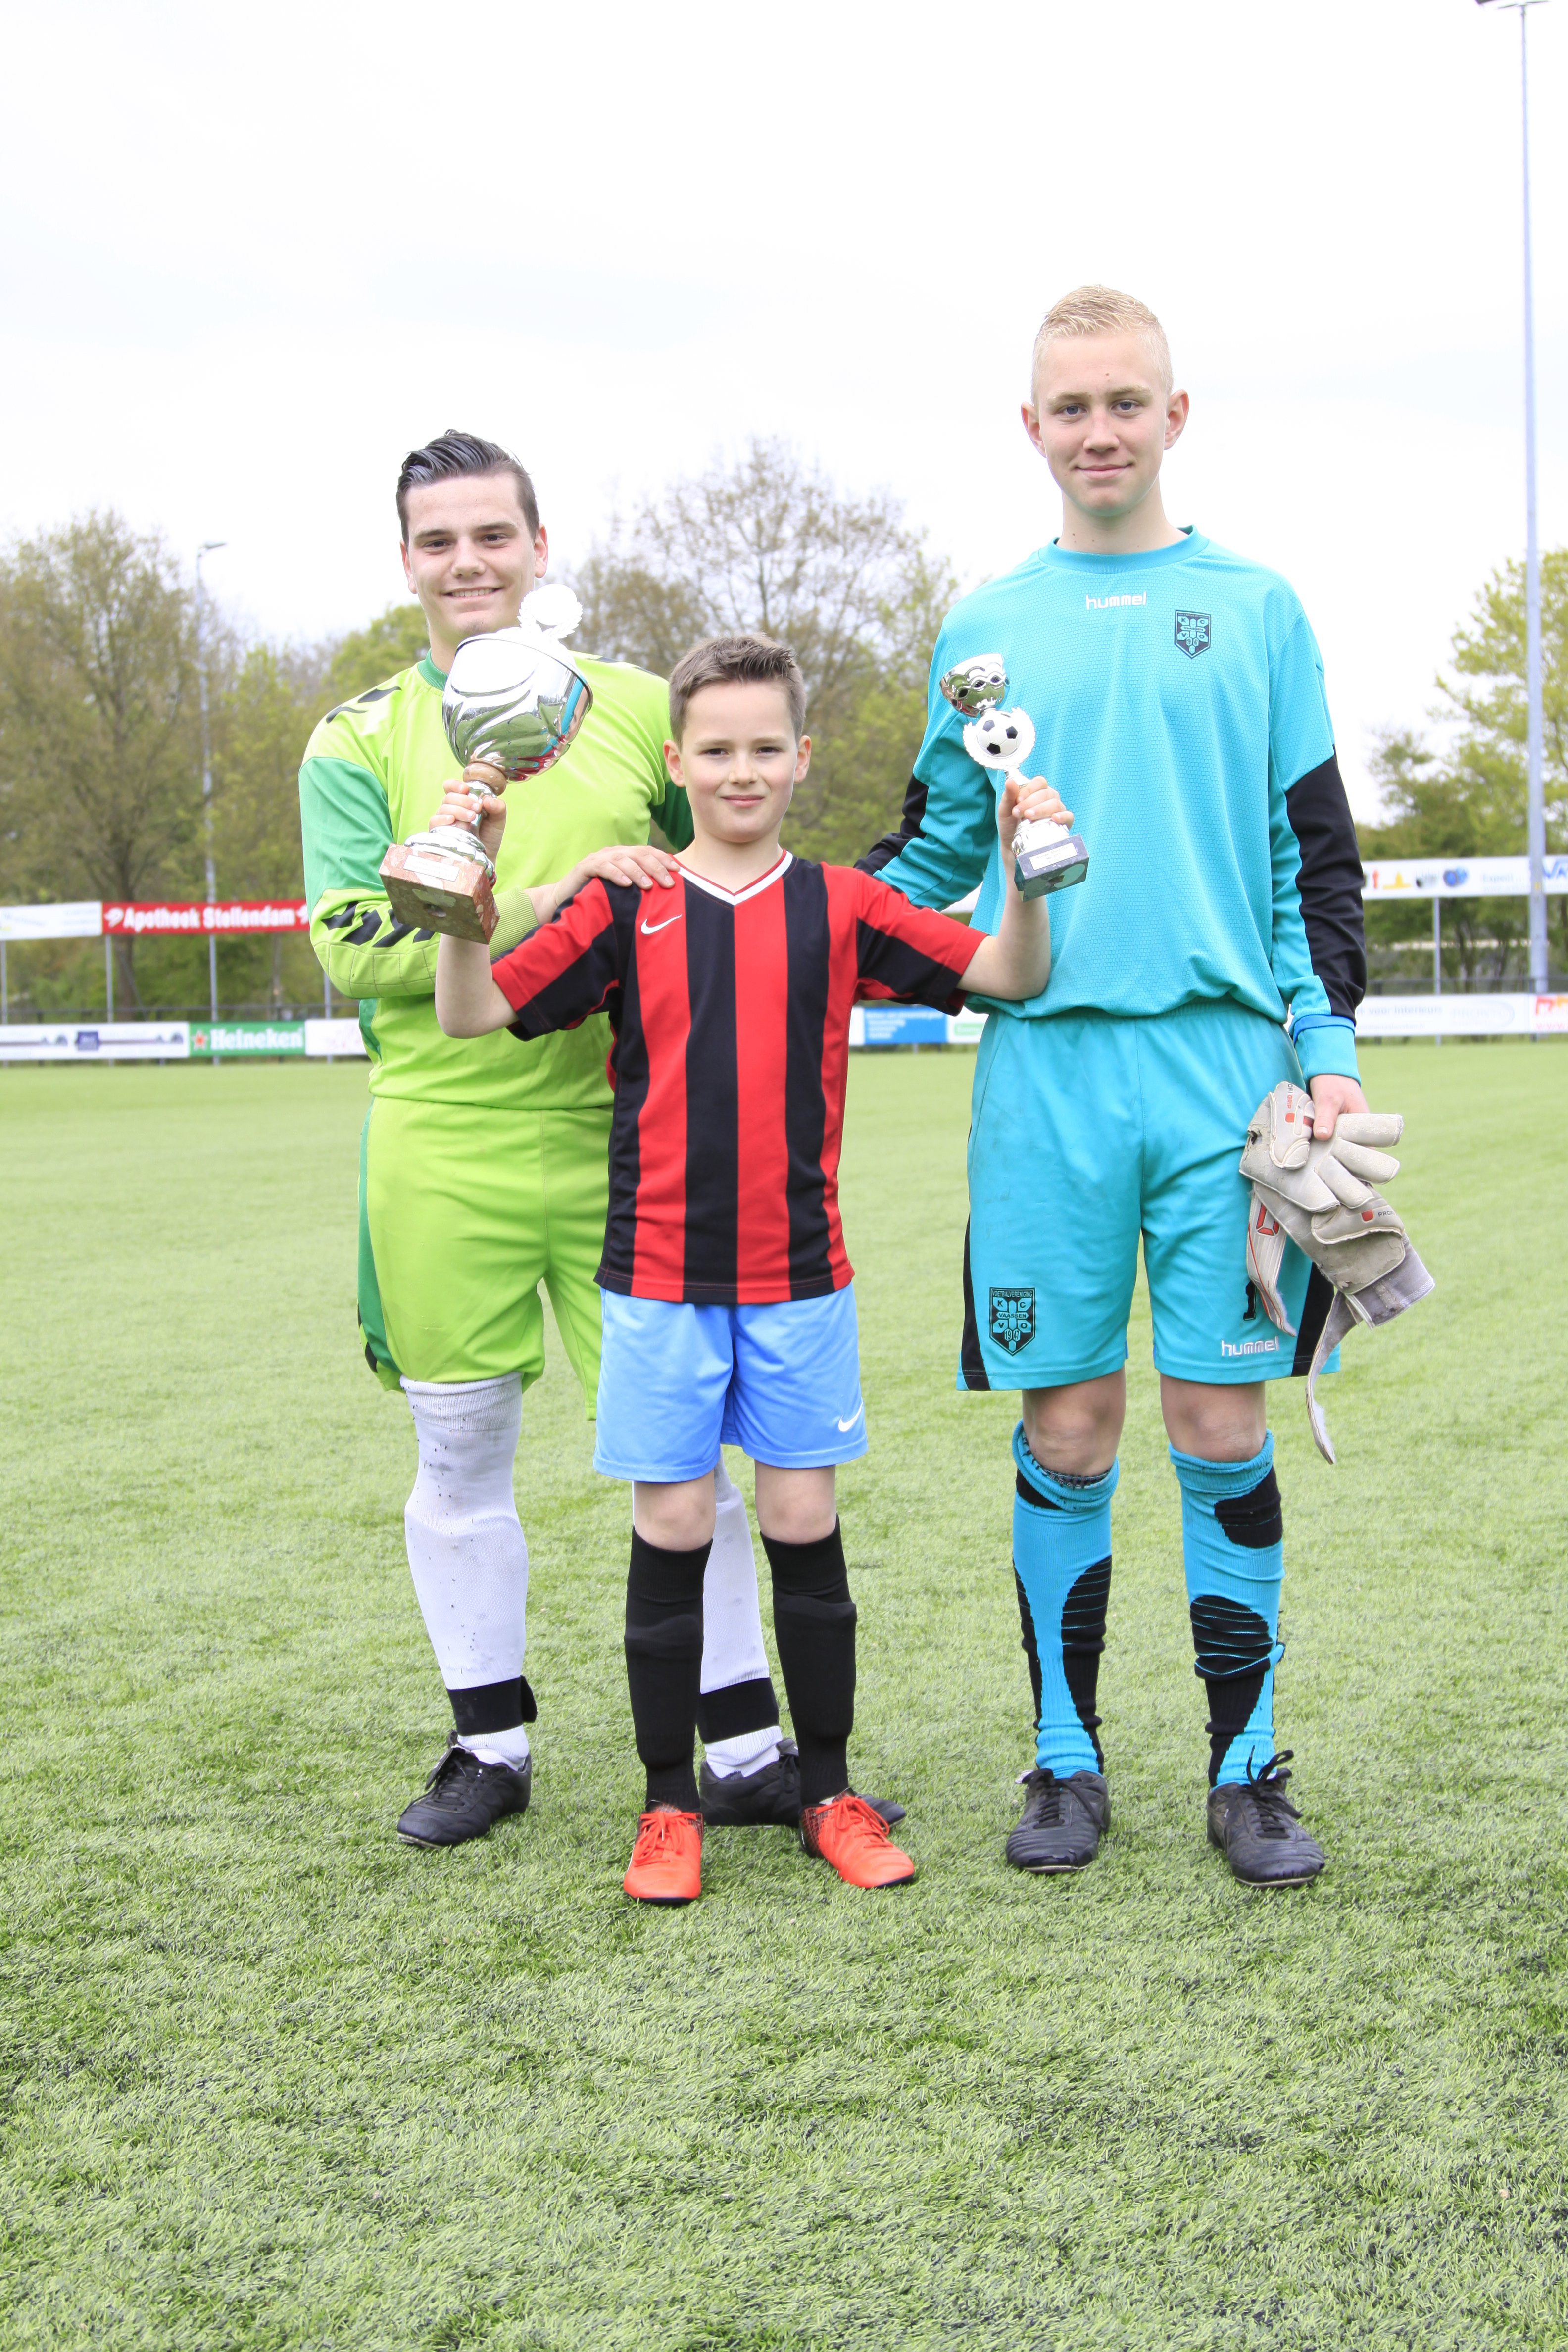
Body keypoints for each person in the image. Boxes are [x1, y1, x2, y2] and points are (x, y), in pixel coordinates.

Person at [861, 287, 1370, 1887]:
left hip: (1223, 1080)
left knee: (1218, 1418)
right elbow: (932, 862)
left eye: (1122, 402)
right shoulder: (980, 631)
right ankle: (1063, 1761)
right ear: (1029, 426)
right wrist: (781, 925)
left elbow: (1314, 867)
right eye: (1068, 405)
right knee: (1068, 1425)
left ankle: (1243, 1770)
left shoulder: (1259, 607)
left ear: (1172, 415)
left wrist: (1326, 1056)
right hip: (1045, 1079)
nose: (1097, 430)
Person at [431, 633, 1070, 1903]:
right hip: (657, 1278)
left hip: (800, 1278)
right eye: (715, 750)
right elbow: (473, 1012)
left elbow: (1009, 973)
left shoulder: (843, 903)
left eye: (764, 748)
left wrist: (1022, 865)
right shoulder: (626, 900)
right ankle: (670, 1807)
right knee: (671, 1524)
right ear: (678, 761)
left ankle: (827, 1788)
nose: (741, 770)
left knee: (800, 1522)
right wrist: (470, 890)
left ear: (799, 760)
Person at [298, 432, 795, 1847]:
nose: (468, 564)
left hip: (622, 1135)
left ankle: (746, 1742)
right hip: (441, 1139)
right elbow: (351, 945)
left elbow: (719, 867)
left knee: (681, 1453)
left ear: (539, 545)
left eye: (492, 537)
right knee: (460, 1448)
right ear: (408, 562)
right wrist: (552, 893)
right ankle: (490, 1743)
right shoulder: (353, 739)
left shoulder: (644, 710)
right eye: (438, 542)